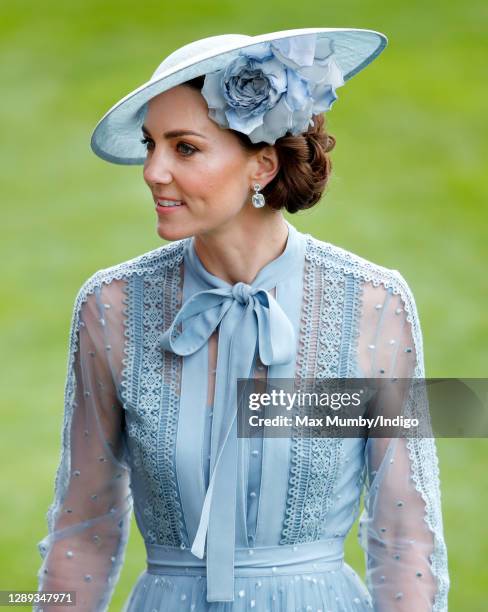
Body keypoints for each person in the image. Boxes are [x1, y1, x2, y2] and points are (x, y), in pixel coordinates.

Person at [35, 28, 449, 611]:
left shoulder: (373, 303)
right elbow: (83, 530)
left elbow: (405, 537)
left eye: (184, 148)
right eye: (151, 144)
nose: (153, 171)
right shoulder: (112, 307)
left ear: (261, 164)